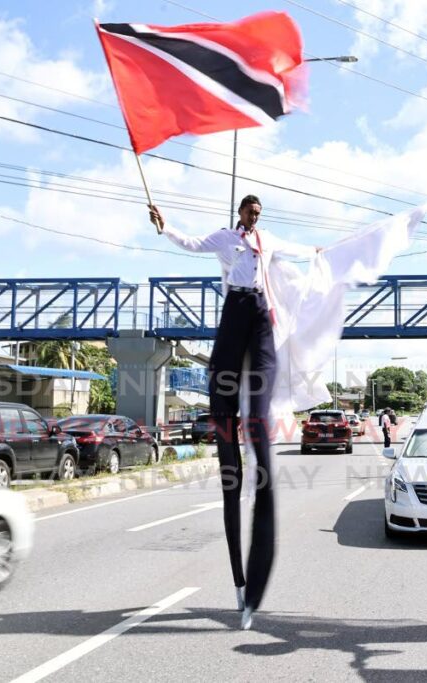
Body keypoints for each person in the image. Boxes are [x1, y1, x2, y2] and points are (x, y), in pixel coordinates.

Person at [151, 195, 321, 631]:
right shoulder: (227, 239)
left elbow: (297, 250)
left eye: (260, 213)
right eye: (251, 212)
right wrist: (164, 224)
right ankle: (239, 582)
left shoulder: (267, 239)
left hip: (261, 314)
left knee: (259, 435)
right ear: (240, 212)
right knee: (227, 428)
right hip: (234, 311)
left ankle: (255, 578)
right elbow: (190, 244)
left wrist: (319, 254)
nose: (255, 217)